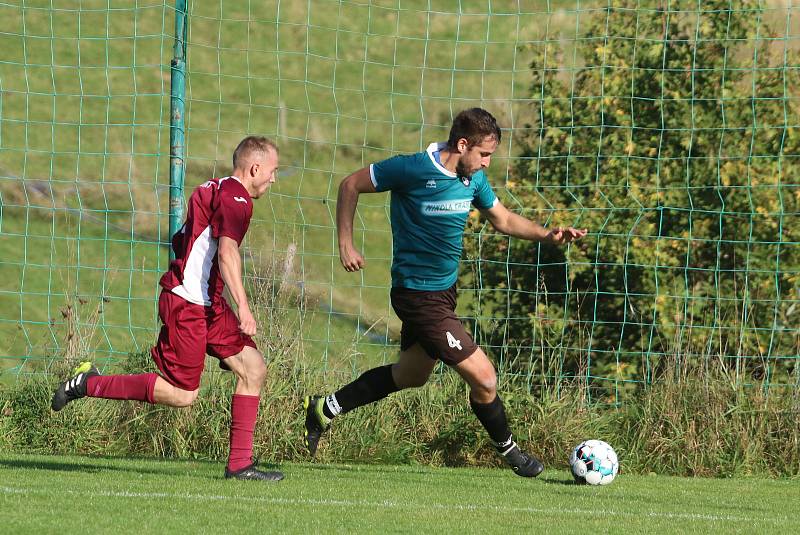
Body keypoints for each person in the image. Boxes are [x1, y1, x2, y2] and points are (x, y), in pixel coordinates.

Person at [303, 108, 587, 477]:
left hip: (444, 293)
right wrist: (345, 243)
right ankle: (509, 450)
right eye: (484, 154)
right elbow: (349, 185)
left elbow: (502, 219)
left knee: (411, 376)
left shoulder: (473, 180)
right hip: (416, 296)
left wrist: (547, 235)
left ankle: (324, 408)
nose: (486, 163)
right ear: (463, 144)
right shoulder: (412, 169)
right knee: (485, 378)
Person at [51, 136, 283, 481]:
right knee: (181, 394)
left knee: (253, 369)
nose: (274, 179)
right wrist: (245, 308)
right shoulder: (237, 199)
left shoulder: (212, 187)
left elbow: (185, 239)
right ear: (255, 168)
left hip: (207, 302)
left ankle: (240, 465)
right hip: (188, 303)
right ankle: (89, 383)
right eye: (273, 171)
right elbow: (227, 252)